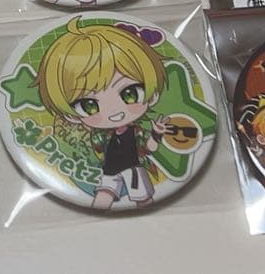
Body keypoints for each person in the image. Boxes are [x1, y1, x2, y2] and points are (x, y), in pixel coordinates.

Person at [36, 18, 170, 208]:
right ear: (71, 115)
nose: (114, 112)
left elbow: (149, 148)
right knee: (103, 196)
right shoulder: (101, 135)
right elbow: (98, 149)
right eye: (89, 105)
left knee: (143, 200)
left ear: (153, 94)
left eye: (130, 94)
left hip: (133, 169)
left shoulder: (136, 132)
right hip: (110, 171)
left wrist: (156, 134)